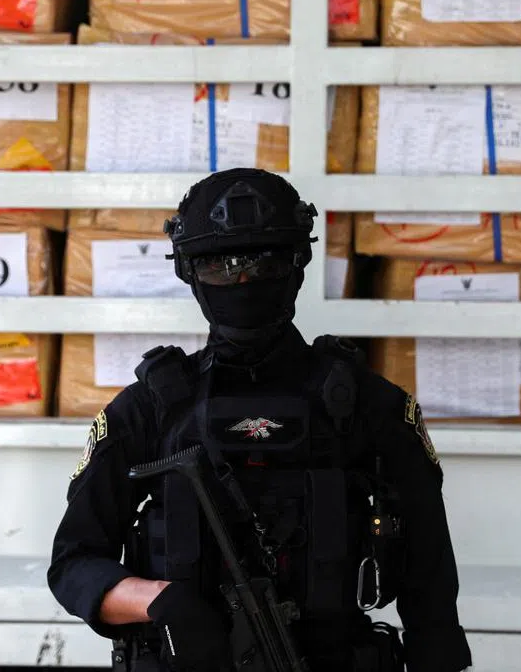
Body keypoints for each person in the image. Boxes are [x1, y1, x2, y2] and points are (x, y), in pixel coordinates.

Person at [48, 168, 471, 672]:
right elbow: (73, 563)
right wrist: (159, 601)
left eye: (262, 263)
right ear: (188, 272)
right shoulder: (150, 410)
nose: (241, 280)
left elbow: (431, 585)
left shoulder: (367, 406)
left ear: (298, 264)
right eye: (219, 267)